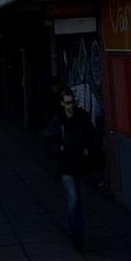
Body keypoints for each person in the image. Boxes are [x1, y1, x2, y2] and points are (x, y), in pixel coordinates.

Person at [50, 88, 98, 249]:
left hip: (82, 165)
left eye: (73, 102)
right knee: (74, 200)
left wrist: (87, 148)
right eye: (68, 103)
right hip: (67, 167)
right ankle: (77, 234)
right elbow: (52, 139)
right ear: (62, 103)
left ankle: (77, 230)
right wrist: (59, 150)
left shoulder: (82, 116)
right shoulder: (59, 121)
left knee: (81, 199)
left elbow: (91, 135)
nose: (71, 105)